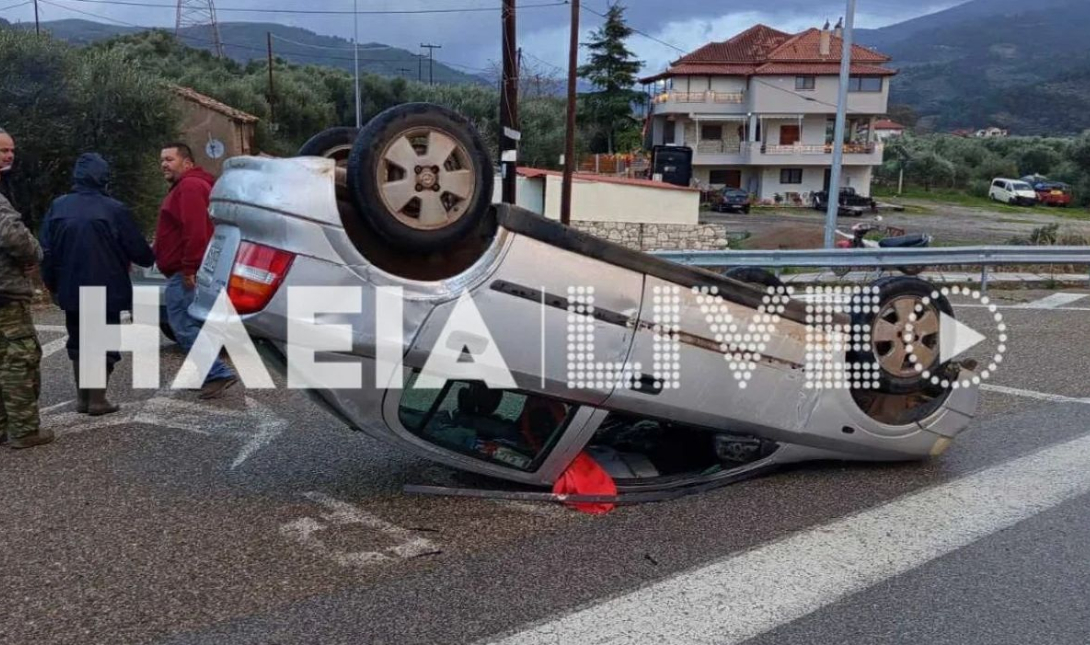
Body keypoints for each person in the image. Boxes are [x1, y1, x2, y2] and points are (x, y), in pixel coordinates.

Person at [39, 153, 156, 415]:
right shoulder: (114, 209)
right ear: (104, 177)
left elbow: (45, 250)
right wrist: (151, 256)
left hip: (70, 287)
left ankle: (83, 398)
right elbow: (139, 251)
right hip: (106, 286)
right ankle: (97, 400)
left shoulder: (58, 207)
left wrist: (51, 283)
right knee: (103, 341)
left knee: (78, 340)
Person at [154, 143, 238, 399]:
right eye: (162, 160)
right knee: (196, 325)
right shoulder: (193, 186)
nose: (164, 164)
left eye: (170, 159)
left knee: (183, 324)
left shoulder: (189, 187)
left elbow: (197, 231)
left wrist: (190, 267)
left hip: (185, 272)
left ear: (187, 163)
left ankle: (216, 374)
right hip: (188, 269)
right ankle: (207, 373)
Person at [0, 128, 50, 449]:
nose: (8, 156)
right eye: (2, 151)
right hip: (6, 293)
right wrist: (35, 253)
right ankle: (24, 429)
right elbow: (12, 234)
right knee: (19, 358)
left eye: (11, 151)